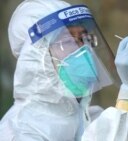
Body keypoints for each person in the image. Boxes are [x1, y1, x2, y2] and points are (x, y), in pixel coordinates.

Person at [0, 0, 121, 140]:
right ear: (36, 56)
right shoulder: (23, 132)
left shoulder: (82, 116)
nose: (82, 49)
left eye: (83, 38)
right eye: (68, 41)